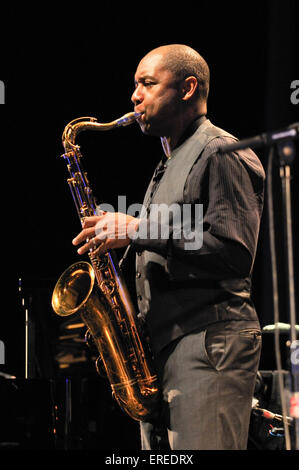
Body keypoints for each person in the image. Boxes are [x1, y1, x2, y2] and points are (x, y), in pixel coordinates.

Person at [72, 44, 265, 450]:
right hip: (165, 350)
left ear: (188, 87)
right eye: (134, 85)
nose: (134, 96)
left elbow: (234, 250)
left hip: (209, 344)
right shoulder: (168, 163)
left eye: (147, 83)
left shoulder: (222, 151)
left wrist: (138, 228)